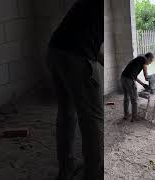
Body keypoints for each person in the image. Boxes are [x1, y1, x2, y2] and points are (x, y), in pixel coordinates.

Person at [46, 0, 103, 179]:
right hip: (78, 57)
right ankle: (94, 174)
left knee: (66, 111)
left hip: (55, 50)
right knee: (92, 120)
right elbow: (91, 45)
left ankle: (67, 167)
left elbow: (92, 42)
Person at [121, 52, 154, 122]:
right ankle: (134, 117)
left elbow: (134, 76)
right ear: (148, 58)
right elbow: (145, 73)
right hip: (129, 80)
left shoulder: (138, 59)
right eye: (151, 60)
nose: (150, 63)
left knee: (126, 97)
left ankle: (126, 115)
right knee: (134, 99)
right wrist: (146, 79)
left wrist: (143, 84)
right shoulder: (144, 60)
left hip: (123, 77)